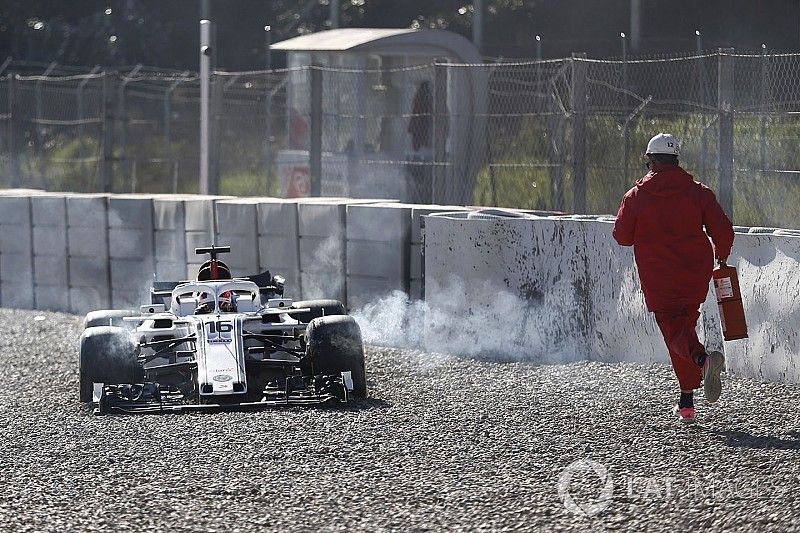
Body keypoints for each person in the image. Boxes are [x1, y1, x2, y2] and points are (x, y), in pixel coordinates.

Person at [613, 133, 734, 424]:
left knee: (673, 330)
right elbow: (723, 230)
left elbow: (622, 237)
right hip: (695, 273)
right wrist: (721, 256)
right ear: (676, 160)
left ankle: (703, 360)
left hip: (659, 276)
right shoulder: (699, 192)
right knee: (685, 326)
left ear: (652, 162)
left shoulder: (636, 196)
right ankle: (686, 401)